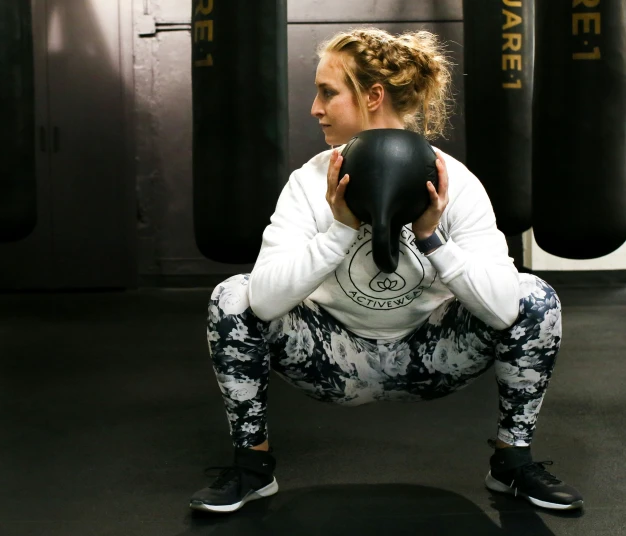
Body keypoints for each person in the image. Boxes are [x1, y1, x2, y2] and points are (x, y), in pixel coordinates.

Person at [189, 27, 584, 514]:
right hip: (331, 359)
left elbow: (505, 307)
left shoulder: (453, 182)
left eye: (328, 92)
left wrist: (432, 239)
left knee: (535, 296)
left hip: (433, 357)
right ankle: (252, 466)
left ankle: (512, 462)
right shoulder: (309, 183)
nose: (315, 108)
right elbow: (264, 302)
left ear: (372, 96)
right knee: (233, 295)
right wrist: (337, 231)